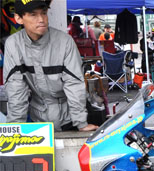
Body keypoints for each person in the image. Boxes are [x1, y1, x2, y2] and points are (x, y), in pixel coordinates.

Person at [4, 0, 97, 132]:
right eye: (33, 15)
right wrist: (15, 128)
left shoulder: (65, 42)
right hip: (38, 120)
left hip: (70, 119)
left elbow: (74, 84)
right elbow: (15, 89)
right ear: (19, 18)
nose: (41, 19)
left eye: (44, 13)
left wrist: (81, 123)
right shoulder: (13, 44)